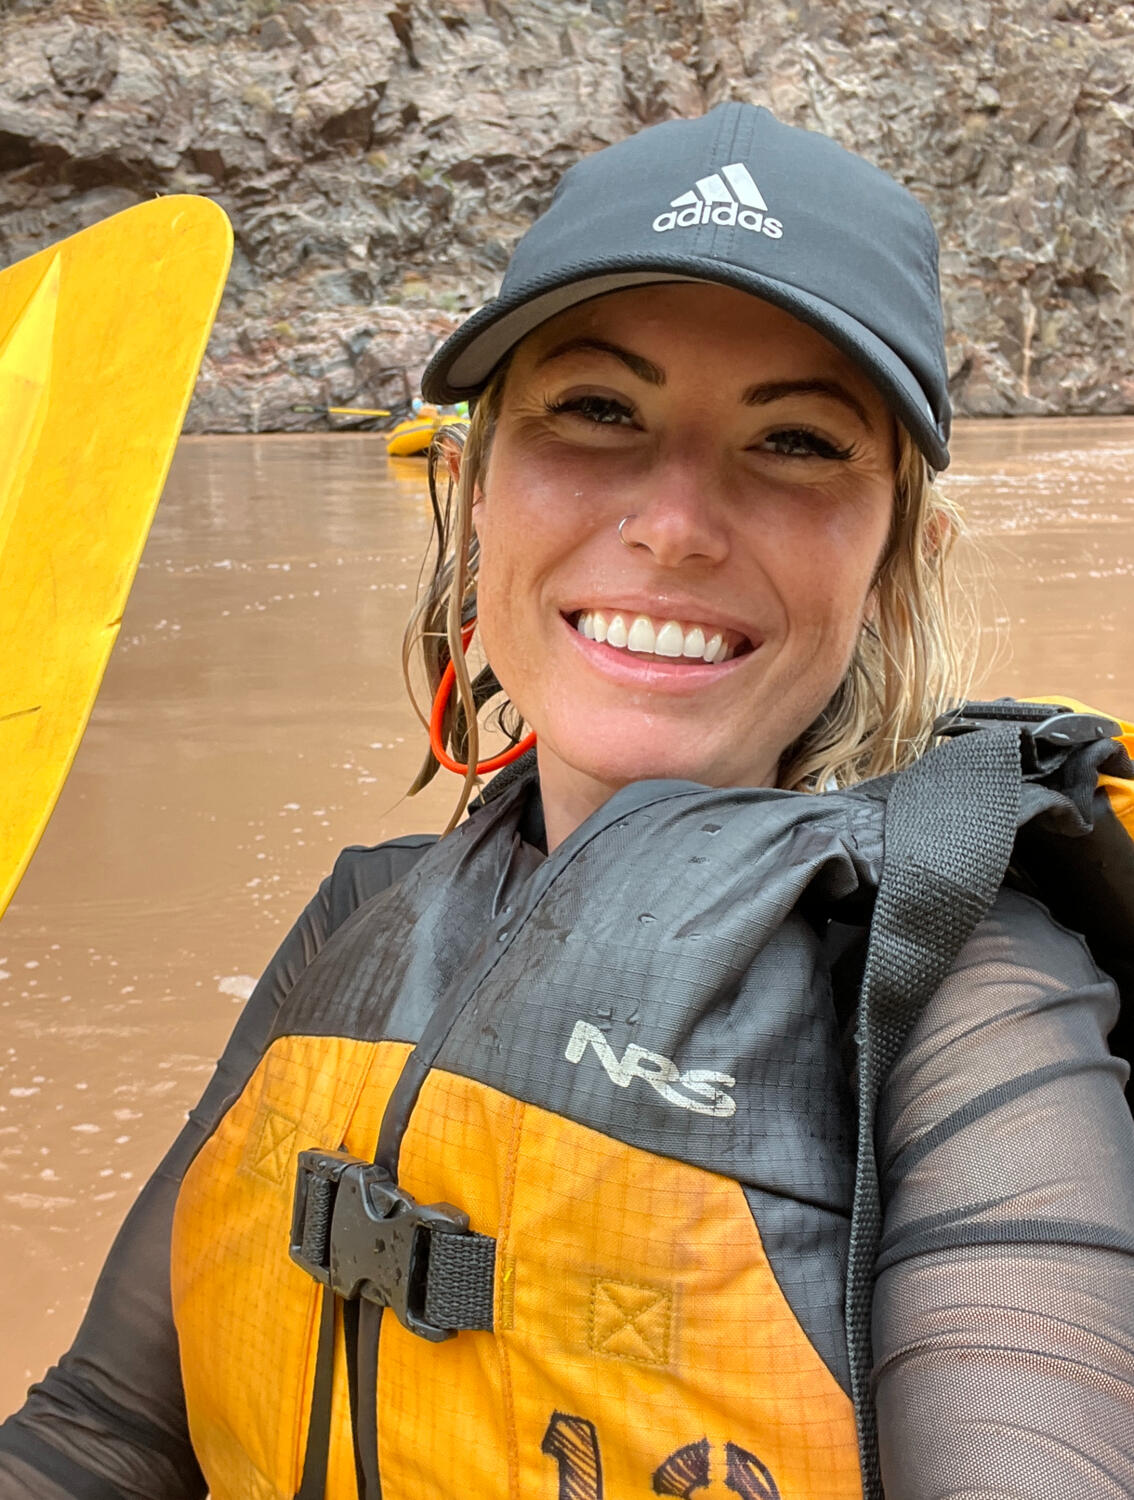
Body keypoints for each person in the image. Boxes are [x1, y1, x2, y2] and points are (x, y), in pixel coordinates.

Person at [2, 102, 1132, 1500]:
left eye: (792, 443)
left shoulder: (965, 994)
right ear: (475, 490)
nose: (672, 521)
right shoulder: (357, 921)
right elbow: (98, 1436)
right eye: (596, 411)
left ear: (893, 554)